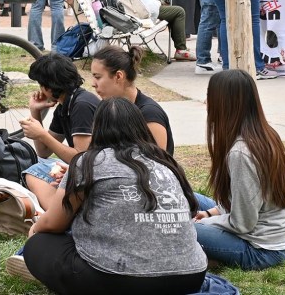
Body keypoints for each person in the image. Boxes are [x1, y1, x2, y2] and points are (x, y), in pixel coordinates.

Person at [22, 97, 208, 294]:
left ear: (97, 128)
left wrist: (35, 228)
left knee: (38, 244)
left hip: (122, 280)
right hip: (192, 276)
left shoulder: (89, 162)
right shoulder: (165, 161)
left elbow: (53, 223)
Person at [194, 69, 285, 270]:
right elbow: (243, 200)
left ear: (224, 104)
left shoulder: (241, 153)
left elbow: (243, 223)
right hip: (269, 235)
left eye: (210, 96)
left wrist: (203, 224)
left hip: (261, 250)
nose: (206, 103)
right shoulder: (263, 134)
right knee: (186, 195)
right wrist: (209, 213)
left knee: (176, 228)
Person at [18, 53, 100, 208]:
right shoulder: (65, 105)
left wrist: (41, 134)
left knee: (32, 171)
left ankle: (58, 213)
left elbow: (81, 158)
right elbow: (44, 151)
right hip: (86, 168)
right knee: (38, 163)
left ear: (48, 87)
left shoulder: (81, 105)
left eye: (40, 84)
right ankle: (60, 206)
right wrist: (35, 111)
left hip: (95, 172)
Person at [90, 46, 175, 154]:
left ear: (119, 76)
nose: (93, 84)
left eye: (97, 77)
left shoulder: (150, 114)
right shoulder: (105, 108)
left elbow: (157, 164)